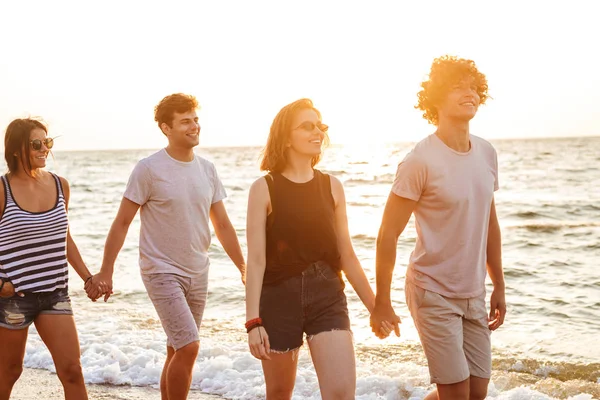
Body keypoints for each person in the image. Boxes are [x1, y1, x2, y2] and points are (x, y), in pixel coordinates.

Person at [86, 93, 246, 400]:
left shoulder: (207, 169)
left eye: (196, 119)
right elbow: (122, 223)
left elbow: (222, 225)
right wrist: (106, 271)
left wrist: (243, 266)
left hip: (198, 271)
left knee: (177, 347)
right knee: (189, 345)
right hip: (161, 271)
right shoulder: (148, 169)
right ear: (165, 128)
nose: (194, 126)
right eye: (185, 121)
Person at [370, 55, 506, 400]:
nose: (470, 94)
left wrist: (498, 285)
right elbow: (388, 234)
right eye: (458, 87)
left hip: (473, 292)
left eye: (474, 88)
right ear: (436, 99)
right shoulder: (419, 160)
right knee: (456, 393)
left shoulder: (486, 153)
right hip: (432, 290)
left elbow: (489, 223)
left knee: (477, 393)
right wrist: (381, 301)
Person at [245, 98, 390, 399]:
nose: (318, 132)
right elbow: (256, 261)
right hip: (277, 301)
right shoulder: (264, 188)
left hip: (328, 297)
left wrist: (376, 307)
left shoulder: (332, 186)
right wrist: (253, 322)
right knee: (280, 393)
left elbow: (346, 255)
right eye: (307, 126)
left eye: (320, 126)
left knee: (340, 394)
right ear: (286, 138)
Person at [0, 118, 91, 400]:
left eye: (47, 142)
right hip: (12, 298)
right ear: (17, 150)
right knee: (9, 371)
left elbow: (65, 237)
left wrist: (88, 277)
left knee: (72, 371)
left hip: (55, 293)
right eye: (36, 144)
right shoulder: (2, 189)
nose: (44, 149)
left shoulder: (60, 184)